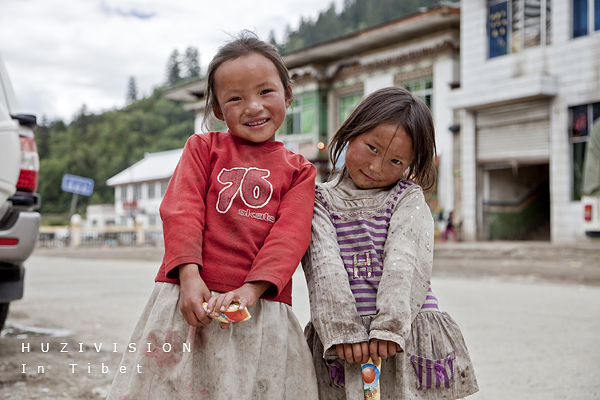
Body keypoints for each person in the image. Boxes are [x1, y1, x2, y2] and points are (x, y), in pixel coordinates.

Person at [107, 31, 318, 400]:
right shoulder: (203, 148)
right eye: (235, 98)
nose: (253, 107)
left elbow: (291, 235)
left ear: (287, 93)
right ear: (218, 109)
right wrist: (189, 277)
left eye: (266, 92)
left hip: (260, 310)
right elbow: (182, 210)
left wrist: (252, 290)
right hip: (189, 301)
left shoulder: (300, 170)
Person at [302, 87, 478, 399]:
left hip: (403, 332)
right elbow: (322, 265)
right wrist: (343, 330)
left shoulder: (406, 197)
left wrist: (390, 326)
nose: (377, 168)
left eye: (395, 160)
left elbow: (406, 260)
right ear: (351, 131)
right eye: (371, 148)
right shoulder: (319, 199)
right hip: (345, 341)